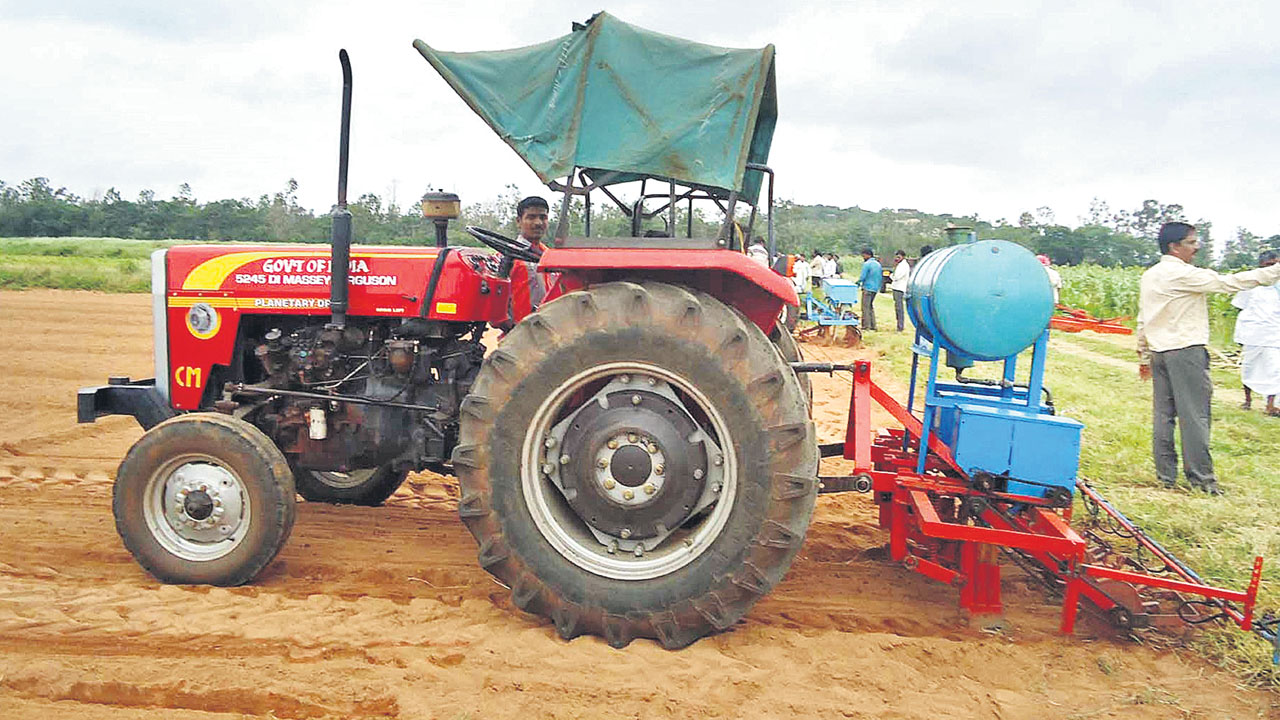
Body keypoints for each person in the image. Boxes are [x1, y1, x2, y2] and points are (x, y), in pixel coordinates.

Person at [1136, 222, 1280, 494]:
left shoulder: (1151, 276)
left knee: (1163, 417)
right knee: (1195, 416)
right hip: (1185, 351)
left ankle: (1165, 477)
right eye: (1191, 242)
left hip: (1159, 352)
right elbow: (1230, 283)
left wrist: (1144, 355)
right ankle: (1202, 481)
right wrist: (1274, 271)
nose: (1197, 247)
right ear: (1174, 247)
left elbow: (1144, 317)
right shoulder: (1183, 274)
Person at [1232, 249, 1280, 417]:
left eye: (1275, 265)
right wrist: (1240, 335)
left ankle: (1271, 404)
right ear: (1261, 266)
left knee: (1275, 369)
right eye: (1269, 265)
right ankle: (1248, 400)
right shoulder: (1250, 285)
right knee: (1249, 368)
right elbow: (1241, 308)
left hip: (1274, 334)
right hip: (1253, 334)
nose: (1272, 269)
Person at [506, 196, 555, 324]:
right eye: (531, 217)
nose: (538, 223)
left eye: (543, 217)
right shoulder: (508, 256)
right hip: (519, 333)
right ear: (519, 221)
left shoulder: (549, 256)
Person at [856, 247, 882, 331]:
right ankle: (873, 326)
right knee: (870, 307)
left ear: (867, 255)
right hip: (875, 288)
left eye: (863, 255)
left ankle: (866, 326)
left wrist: (857, 283)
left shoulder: (867, 264)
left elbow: (862, 276)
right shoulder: (878, 264)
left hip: (867, 288)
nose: (863, 257)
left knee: (865, 308)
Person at [890, 249, 911, 332]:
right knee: (897, 307)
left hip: (899, 288)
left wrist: (891, 275)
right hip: (896, 288)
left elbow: (896, 277)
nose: (897, 258)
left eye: (899, 257)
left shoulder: (903, 266)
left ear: (903, 257)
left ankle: (900, 326)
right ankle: (899, 325)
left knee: (899, 308)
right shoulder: (899, 265)